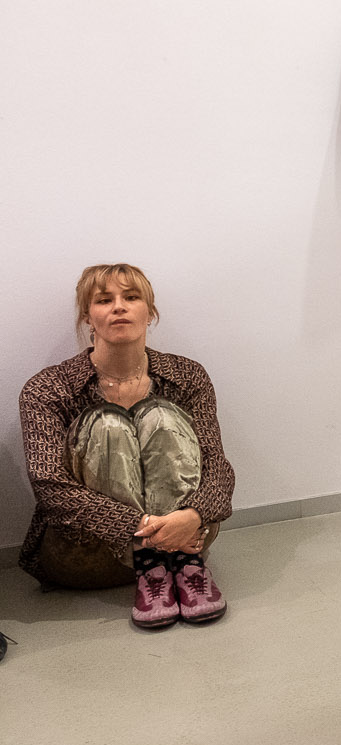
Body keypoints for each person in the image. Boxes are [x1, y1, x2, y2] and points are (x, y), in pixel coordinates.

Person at [18, 264, 233, 627]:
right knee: (108, 424)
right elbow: (50, 486)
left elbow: (217, 466)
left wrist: (193, 516)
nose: (119, 306)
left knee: (161, 416)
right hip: (89, 552)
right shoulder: (48, 388)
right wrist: (143, 527)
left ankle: (185, 568)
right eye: (104, 300)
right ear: (88, 317)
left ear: (150, 312)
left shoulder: (187, 376)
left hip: (188, 535)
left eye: (131, 297)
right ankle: (151, 565)